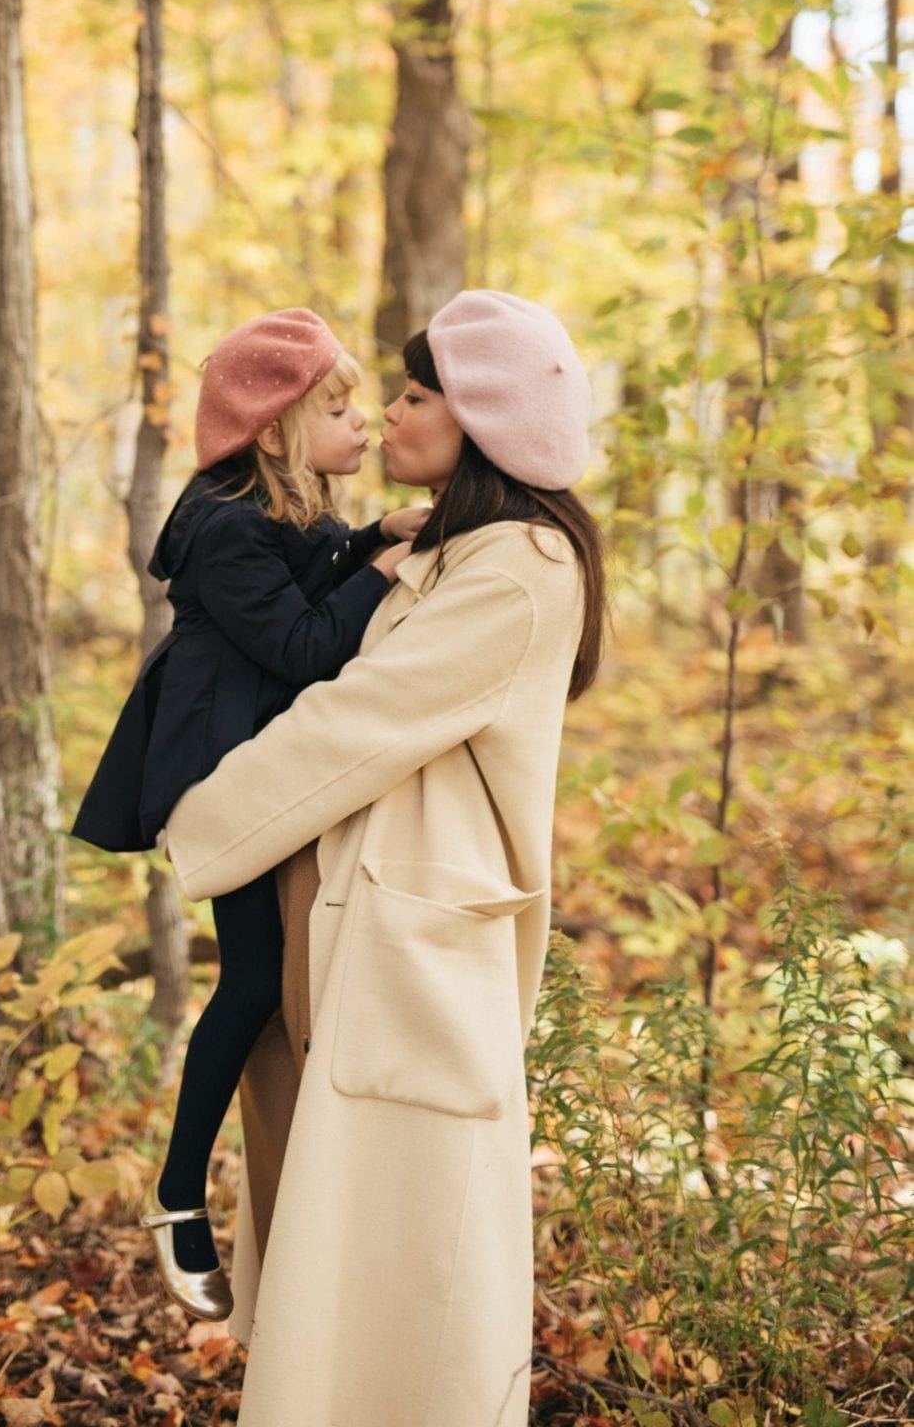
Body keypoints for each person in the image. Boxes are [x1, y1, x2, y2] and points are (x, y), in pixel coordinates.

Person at [163, 288, 606, 1427]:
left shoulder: (518, 564)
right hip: (359, 924)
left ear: (481, 423)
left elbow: (362, 716)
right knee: (345, 1248)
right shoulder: (461, 548)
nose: (391, 415)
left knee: (413, 1270)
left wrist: (198, 823)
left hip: (421, 946)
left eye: (415, 395)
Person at [71, 307, 429, 1318]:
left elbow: (308, 570)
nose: (361, 423)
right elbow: (307, 643)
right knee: (257, 981)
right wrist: (381, 566)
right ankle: (176, 1191)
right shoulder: (225, 524)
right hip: (214, 771)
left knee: (280, 977)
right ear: (272, 428)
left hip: (260, 757)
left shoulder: (279, 502)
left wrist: (369, 536)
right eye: (337, 406)